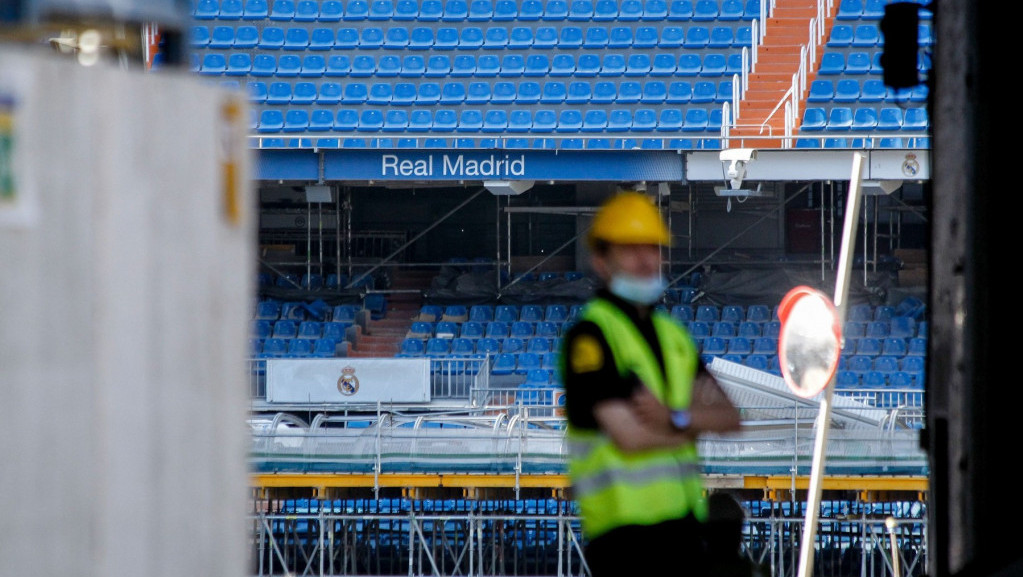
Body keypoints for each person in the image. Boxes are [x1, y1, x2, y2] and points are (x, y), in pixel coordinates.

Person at [560, 190, 742, 577]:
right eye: (630, 249)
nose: (645, 260)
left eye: (653, 248)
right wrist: (692, 427)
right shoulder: (591, 339)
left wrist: (673, 419)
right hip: (623, 539)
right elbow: (630, 437)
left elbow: (729, 417)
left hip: (684, 531)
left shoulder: (672, 334)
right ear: (601, 261)